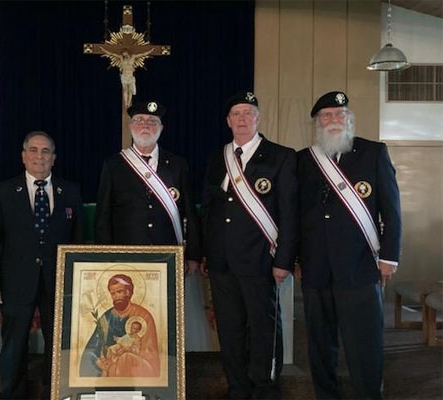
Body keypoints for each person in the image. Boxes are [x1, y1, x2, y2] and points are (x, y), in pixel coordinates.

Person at [296, 91, 401, 399]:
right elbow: (297, 213)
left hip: (360, 266)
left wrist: (390, 257)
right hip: (316, 268)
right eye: (326, 116)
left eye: (339, 115)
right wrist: (297, 259)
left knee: (364, 343)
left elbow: (391, 212)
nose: (333, 121)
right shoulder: (304, 160)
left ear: (349, 120)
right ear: (317, 123)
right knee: (319, 343)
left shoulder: (373, 153)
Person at [201, 91, 298, 399]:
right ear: (228, 121)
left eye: (248, 113)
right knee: (229, 329)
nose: (242, 119)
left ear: (257, 118)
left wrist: (283, 260)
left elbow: (289, 212)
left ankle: (265, 386)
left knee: (263, 328)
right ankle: (238, 385)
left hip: (261, 260)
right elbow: (211, 209)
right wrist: (206, 252)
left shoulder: (281, 156)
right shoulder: (218, 157)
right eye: (236, 114)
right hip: (222, 262)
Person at [0, 131, 83, 399]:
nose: (40, 156)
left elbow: (79, 242)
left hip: (59, 283)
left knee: (58, 343)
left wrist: (79, 286)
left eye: (46, 151)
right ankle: (12, 394)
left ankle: (56, 392)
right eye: (34, 150)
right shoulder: (4, 191)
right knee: (14, 344)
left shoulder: (71, 191)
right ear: (23, 156)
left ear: (54, 158)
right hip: (15, 281)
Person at [95, 100, 201, 272]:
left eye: (152, 121)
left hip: (168, 252)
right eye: (139, 120)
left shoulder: (177, 164)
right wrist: (104, 255)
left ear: (161, 128)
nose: (145, 125)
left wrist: (193, 255)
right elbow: (104, 214)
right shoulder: (114, 165)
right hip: (126, 253)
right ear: (131, 126)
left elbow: (189, 211)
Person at [80, 274, 160, 378]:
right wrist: (98, 361)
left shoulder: (143, 316)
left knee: (125, 358)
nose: (116, 296)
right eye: (113, 293)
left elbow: (150, 353)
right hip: (109, 363)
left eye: (119, 292)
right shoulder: (106, 317)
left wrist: (126, 351)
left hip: (136, 366)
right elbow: (91, 348)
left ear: (128, 292)